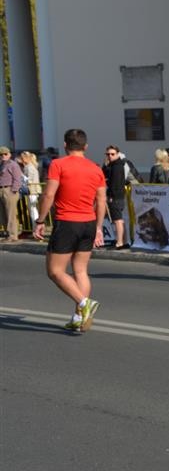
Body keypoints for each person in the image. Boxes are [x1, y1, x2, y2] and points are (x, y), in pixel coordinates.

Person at [32, 129, 106, 332]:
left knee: (55, 271)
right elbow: (101, 201)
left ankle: (84, 303)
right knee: (80, 270)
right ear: (85, 146)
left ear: (65, 145)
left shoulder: (58, 164)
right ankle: (78, 316)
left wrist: (40, 220)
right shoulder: (96, 168)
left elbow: (49, 194)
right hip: (89, 222)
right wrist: (99, 227)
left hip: (67, 222)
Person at [103, 145, 130, 249]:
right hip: (119, 196)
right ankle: (124, 241)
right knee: (120, 220)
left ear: (118, 154)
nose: (110, 156)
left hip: (116, 197)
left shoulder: (116, 166)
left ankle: (120, 242)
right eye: (108, 154)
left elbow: (115, 184)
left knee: (117, 220)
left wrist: (111, 196)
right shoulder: (115, 165)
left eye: (112, 154)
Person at [0, 145, 23, 242]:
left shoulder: (13, 164)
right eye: (1, 154)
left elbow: (17, 179)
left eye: (5, 154)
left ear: (9, 154)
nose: (3, 156)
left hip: (9, 190)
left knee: (11, 214)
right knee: (3, 214)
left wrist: (14, 191)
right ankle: (7, 234)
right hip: (2, 189)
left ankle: (13, 235)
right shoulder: (1, 164)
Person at [20, 151, 42, 227]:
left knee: (33, 210)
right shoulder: (31, 166)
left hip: (32, 190)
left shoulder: (29, 167)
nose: (21, 159)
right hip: (33, 190)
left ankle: (35, 227)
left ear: (26, 158)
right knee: (33, 209)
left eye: (22, 158)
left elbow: (30, 180)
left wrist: (22, 176)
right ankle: (35, 227)